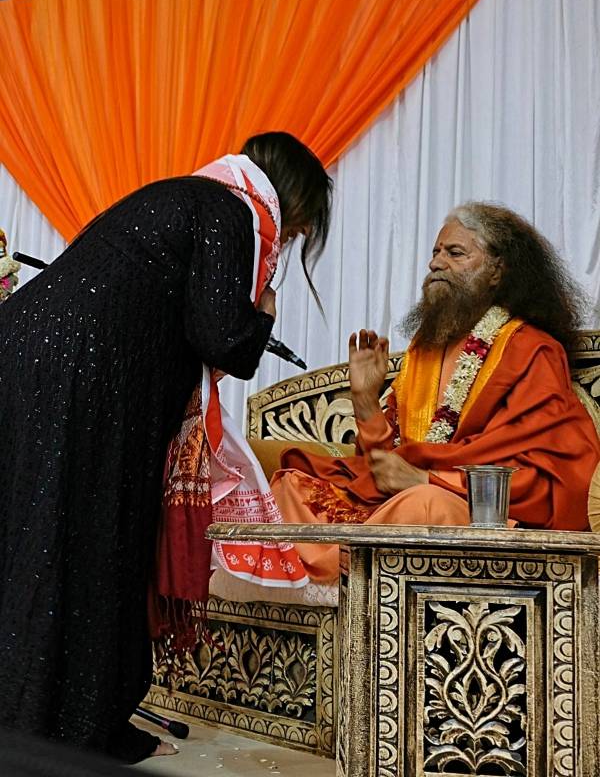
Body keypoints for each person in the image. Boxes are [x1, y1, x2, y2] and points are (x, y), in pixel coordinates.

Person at [0, 132, 332, 761]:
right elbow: (221, 335)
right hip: (85, 374)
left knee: (33, 533)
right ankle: (71, 729)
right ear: (291, 198)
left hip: (30, 355)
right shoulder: (228, 209)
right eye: (301, 225)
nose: (293, 238)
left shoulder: (186, 196)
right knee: (94, 540)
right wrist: (263, 312)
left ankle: (44, 719)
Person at [271, 202, 600, 582]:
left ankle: (338, 567)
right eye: (436, 252)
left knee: (423, 505)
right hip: (397, 505)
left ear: (497, 270)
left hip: (478, 515)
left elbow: (547, 475)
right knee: (288, 486)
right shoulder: (423, 352)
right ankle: (344, 566)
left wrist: (427, 480)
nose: (435, 263)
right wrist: (365, 401)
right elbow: (384, 464)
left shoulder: (530, 349)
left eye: (455, 253)